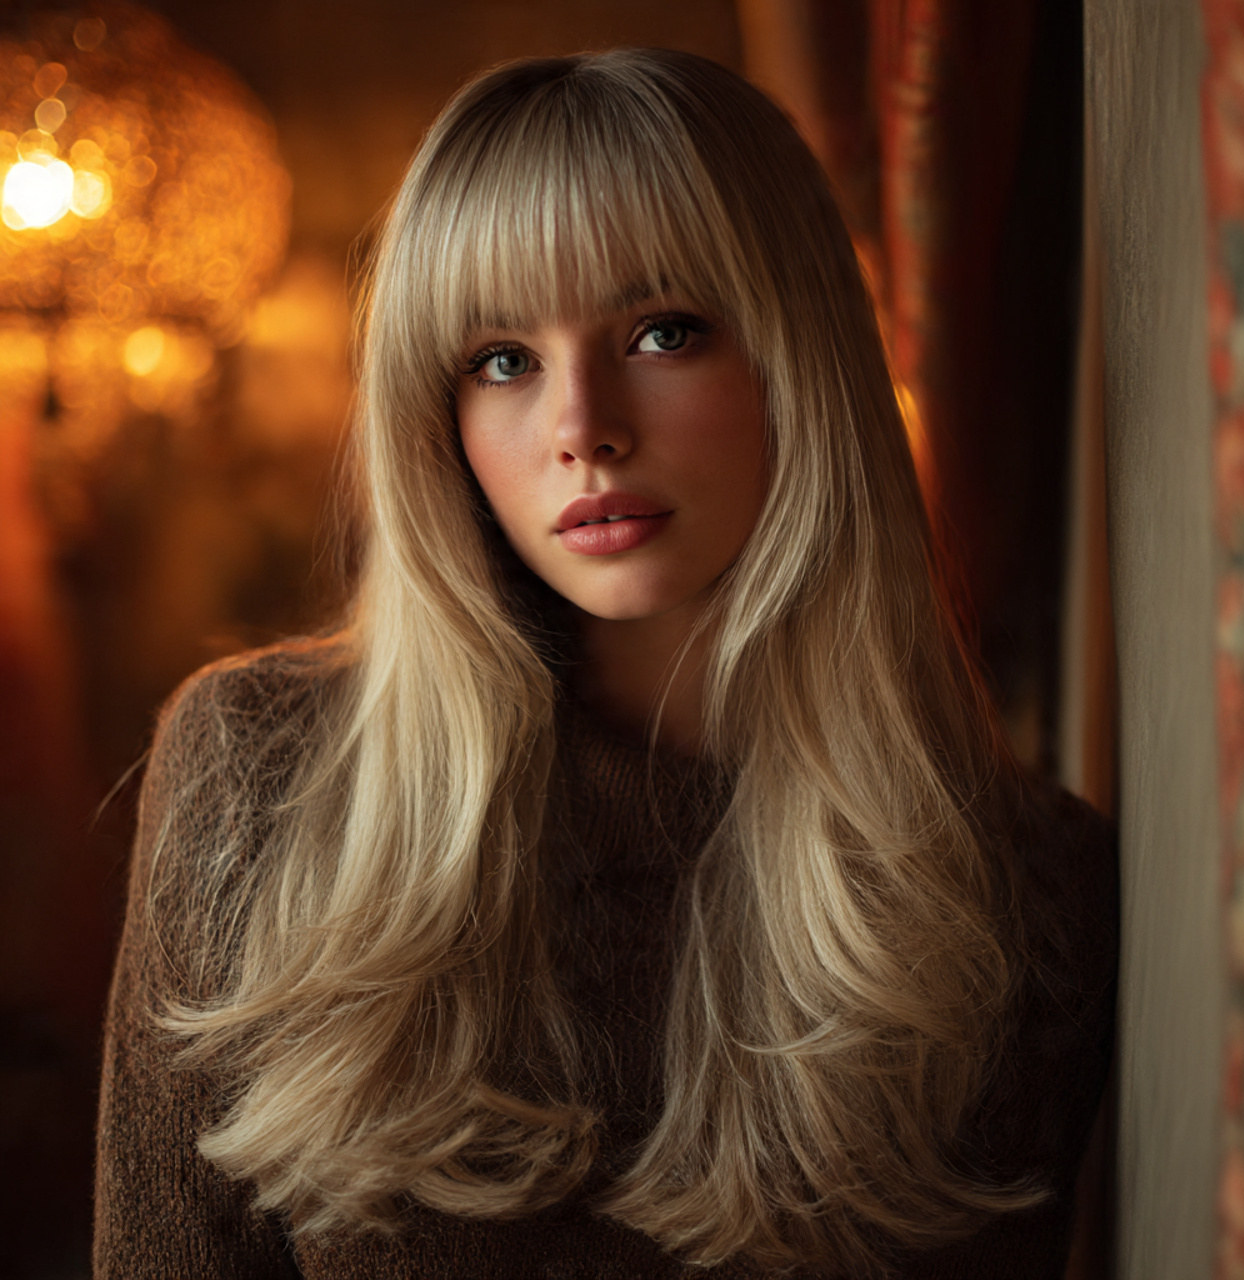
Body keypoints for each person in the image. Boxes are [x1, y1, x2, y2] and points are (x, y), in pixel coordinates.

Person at [93, 48, 1116, 1280]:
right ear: (440, 416)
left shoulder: (1026, 887)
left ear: (799, 363)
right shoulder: (256, 769)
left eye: (661, 329)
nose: (581, 427)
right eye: (501, 360)